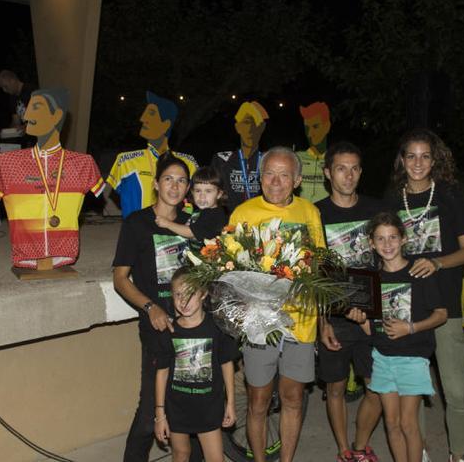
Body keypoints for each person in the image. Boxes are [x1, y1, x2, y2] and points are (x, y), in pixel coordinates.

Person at [228, 146, 325, 462]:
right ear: (259, 178)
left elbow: (319, 266)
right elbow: (228, 268)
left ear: (297, 180)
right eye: (269, 173)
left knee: (293, 397)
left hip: (301, 320)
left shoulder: (309, 212)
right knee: (259, 400)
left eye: (284, 175)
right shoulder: (244, 213)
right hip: (259, 323)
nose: (276, 181)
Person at [388, 129, 464, 462]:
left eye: (425, 155)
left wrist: (437, 263)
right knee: (414, 389)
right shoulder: (393, 200)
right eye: (411, 155)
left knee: (455, 390)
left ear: (435, 159)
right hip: (407, 306)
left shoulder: (451, 195)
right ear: (402, 160)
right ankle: (419, 451)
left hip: (445, 303)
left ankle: (458, 454)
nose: (418, 163)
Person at [112, 153, 202, 462]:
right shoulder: (137, 223)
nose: (175, 186)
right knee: (151, 408)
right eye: (168, 179)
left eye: (181, 181)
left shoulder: (194, 224)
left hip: (194, 326)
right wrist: (151, 307)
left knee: (196, 402)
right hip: (158, 327)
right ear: (156, 184)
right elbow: (120, 279)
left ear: (188, 187)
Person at [348, 212, 447, 462]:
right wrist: (360, 321)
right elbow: (372, 330)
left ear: (403, 239)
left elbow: (441, 315)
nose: (387, 244)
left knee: (408, 424)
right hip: (382, 358)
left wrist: (410, 328)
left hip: (413, 357)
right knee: (391, 423)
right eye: (380, 239)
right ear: (371, 243)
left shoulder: (420, 273)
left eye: (393, 237)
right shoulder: (371, 281)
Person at [315, 142, 384, 462]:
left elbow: (389, 260)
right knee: (336, 389)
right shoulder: (316, 214)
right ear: (328, 173)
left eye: (355, 168)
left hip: (371, 316)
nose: (349, 175)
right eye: (341, 168)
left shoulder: (376, 211)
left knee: (377, 388)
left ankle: (361, 444)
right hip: (336, 318)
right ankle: (344, 450)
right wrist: (322, 322)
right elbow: (312, 274)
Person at [0, 88, 104, 270]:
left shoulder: (83, 163)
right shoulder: (7, 163)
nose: (26, 115)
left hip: (65, 251)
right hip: (25, 254)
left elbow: (99, 195)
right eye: (27, 108)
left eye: (36, 107)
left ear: (57, 116)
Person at [153, 267, 238, 462]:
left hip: (208, 408)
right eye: (178, 295)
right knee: (181, 454)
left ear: (203, 294)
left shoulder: (216, 327)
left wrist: (230, 403)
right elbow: (162, 373)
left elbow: (226, 364)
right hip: (177, 408)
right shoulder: (170, 331)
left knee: (215, 458)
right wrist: (160, 414)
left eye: (190, 293)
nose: (183, 301)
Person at [107, 91, 198, 219]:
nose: (142, 119)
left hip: (173, 232)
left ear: (166, 124)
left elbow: (197, 199)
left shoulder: (188, 163)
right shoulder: (125, 161)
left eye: (151, 114)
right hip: (137, 233)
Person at [210, 101, 268, 212]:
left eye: (256, 123)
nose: (251, 129)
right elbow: (211, 193)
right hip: (229, 223)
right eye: (246, 123)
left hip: (259, 222)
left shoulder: (268, 161)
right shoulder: (222, 160)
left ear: (262, 128)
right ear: (237, 127)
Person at [155, 166, 227, 243]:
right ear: (192, 192)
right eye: (198, 191)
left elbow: (191, 232)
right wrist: (188, 215)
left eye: (208, 191)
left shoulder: (215, 214)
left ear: (219, 194)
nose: (202, 196)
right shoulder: (202, 211)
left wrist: (168, 224)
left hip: (207, 254)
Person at [296, 101, 332, 203]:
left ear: (327, 126)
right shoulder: (296, 158)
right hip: (301, 215)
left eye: (315, 126)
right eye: (307, 128)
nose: (310, 133)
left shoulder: (335, 159)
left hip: (327, 216)